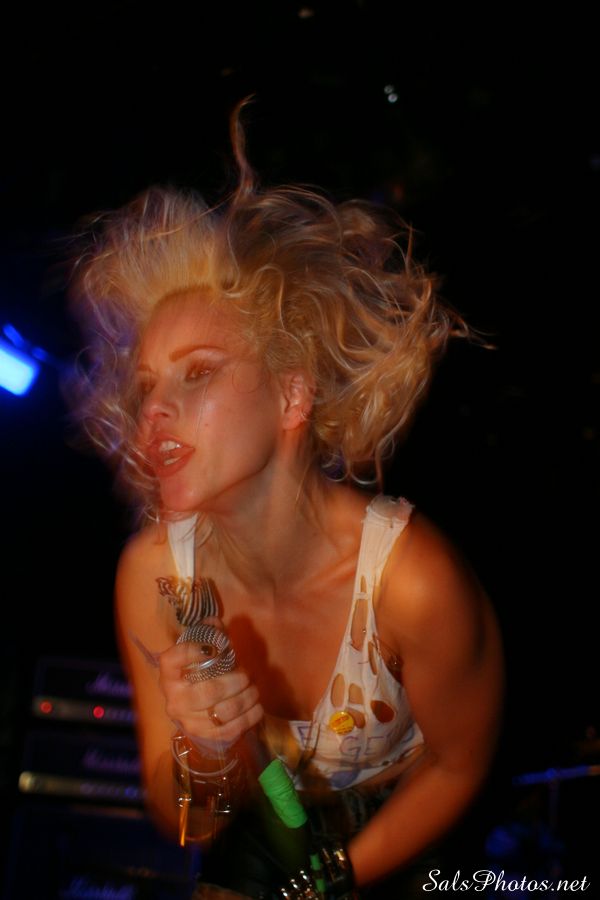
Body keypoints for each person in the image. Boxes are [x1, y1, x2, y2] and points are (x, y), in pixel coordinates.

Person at [69, 108, 503, 898]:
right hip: (257, 849)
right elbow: (186, 823)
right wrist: (207, 753)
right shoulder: (153, 576)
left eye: (198, 372)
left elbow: (459, 764)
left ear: (292, 395)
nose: (153, 410)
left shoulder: (413, 583)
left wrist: (338, 877)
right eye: (146, 388)